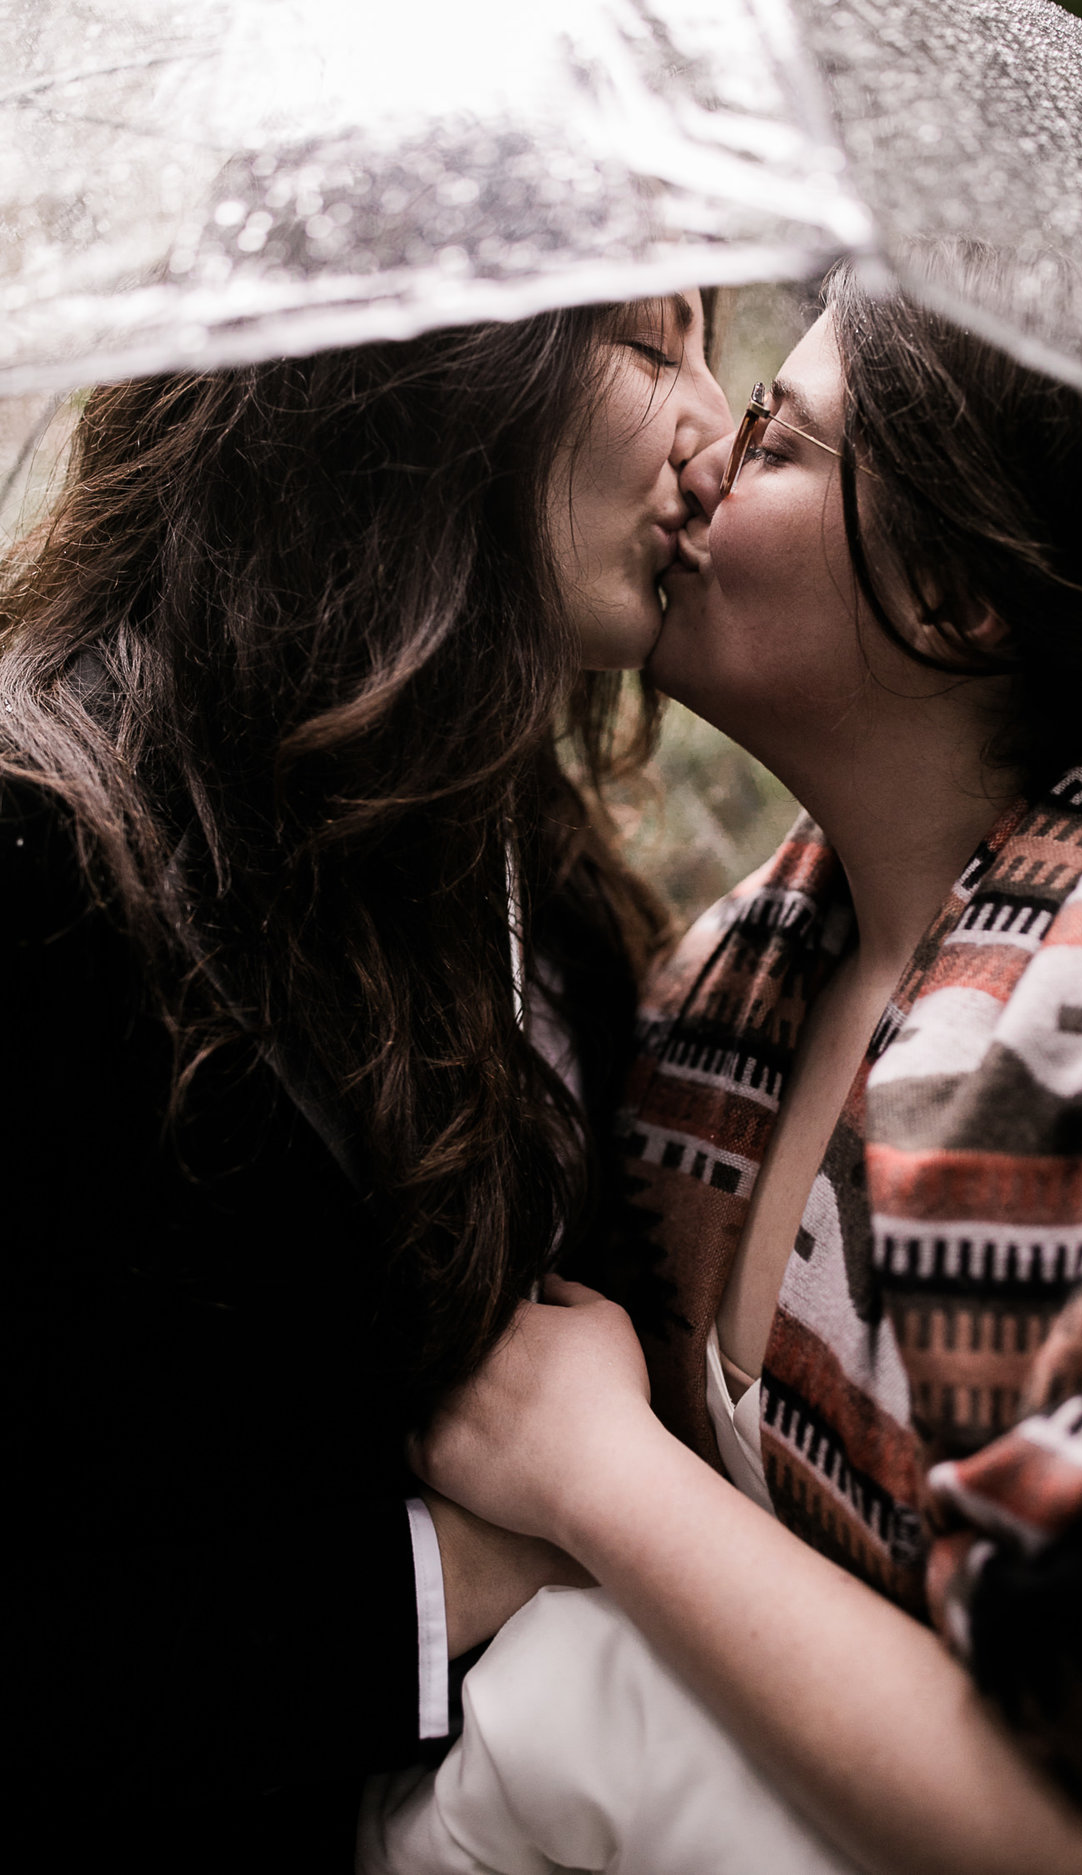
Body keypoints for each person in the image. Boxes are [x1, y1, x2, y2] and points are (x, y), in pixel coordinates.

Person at [375, 246, 1082, 1875]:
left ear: (958, 592)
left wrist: (597, 1477)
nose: (702, 457)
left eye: (775, 442)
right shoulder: (731, 974)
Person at [0, 292, 731, 1859]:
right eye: (653, 342)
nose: (715, 434)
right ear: (441, 352)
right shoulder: (39, 857)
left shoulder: (575, 921)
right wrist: (458, 1574)